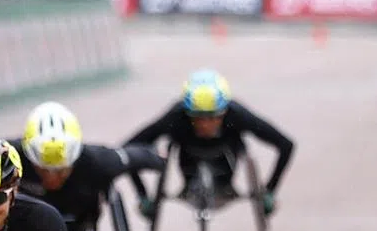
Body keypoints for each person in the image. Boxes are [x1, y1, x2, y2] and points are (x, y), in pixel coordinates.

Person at [125, 69, 294, 220]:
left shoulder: (236, 114)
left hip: (226, 173)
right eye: (198, 118)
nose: (205, 125)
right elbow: (127, 149)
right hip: (189, 173)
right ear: (187, 113)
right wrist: (143, 196)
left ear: (224, 111)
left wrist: (270, 190)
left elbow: (286, 145)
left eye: (213, 117)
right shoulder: (176, 116)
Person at [11, 101, 165, 231]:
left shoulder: (97, 161)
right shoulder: (11, 156)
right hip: (30, 216)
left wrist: (159, 159)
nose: (52, 177)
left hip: (79, 217)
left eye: (61, 170)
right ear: (29, 157)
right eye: (44, 170)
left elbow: (132, 157)